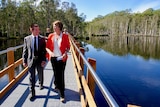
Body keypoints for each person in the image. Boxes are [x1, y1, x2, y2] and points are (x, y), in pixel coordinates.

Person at [46, 20, 70, 102]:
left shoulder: (65, 36)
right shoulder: (50, 36)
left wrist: (65, 53)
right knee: (56, 73)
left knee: (61, 75)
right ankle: (56, 85)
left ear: (59, 27)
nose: (53, 27)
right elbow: (47, 47)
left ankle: (62, 94)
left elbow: (68, 47)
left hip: (62, 58)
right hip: (53, 58)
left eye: (55, 26)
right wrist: (50, 52)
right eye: (53, 26)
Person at [22, 23, 46, 101]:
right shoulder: (27, 39)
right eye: (36, 29)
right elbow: (25, 51)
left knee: (40, 73)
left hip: (39, 60)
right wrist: (24, 61)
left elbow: (44, 51)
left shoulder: (42, 39)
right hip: (30, 61)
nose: (38, 31)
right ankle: (32, 93)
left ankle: (40, 83)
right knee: (31, 77)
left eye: (38, 29)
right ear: (31, 30)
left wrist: (43, 60)